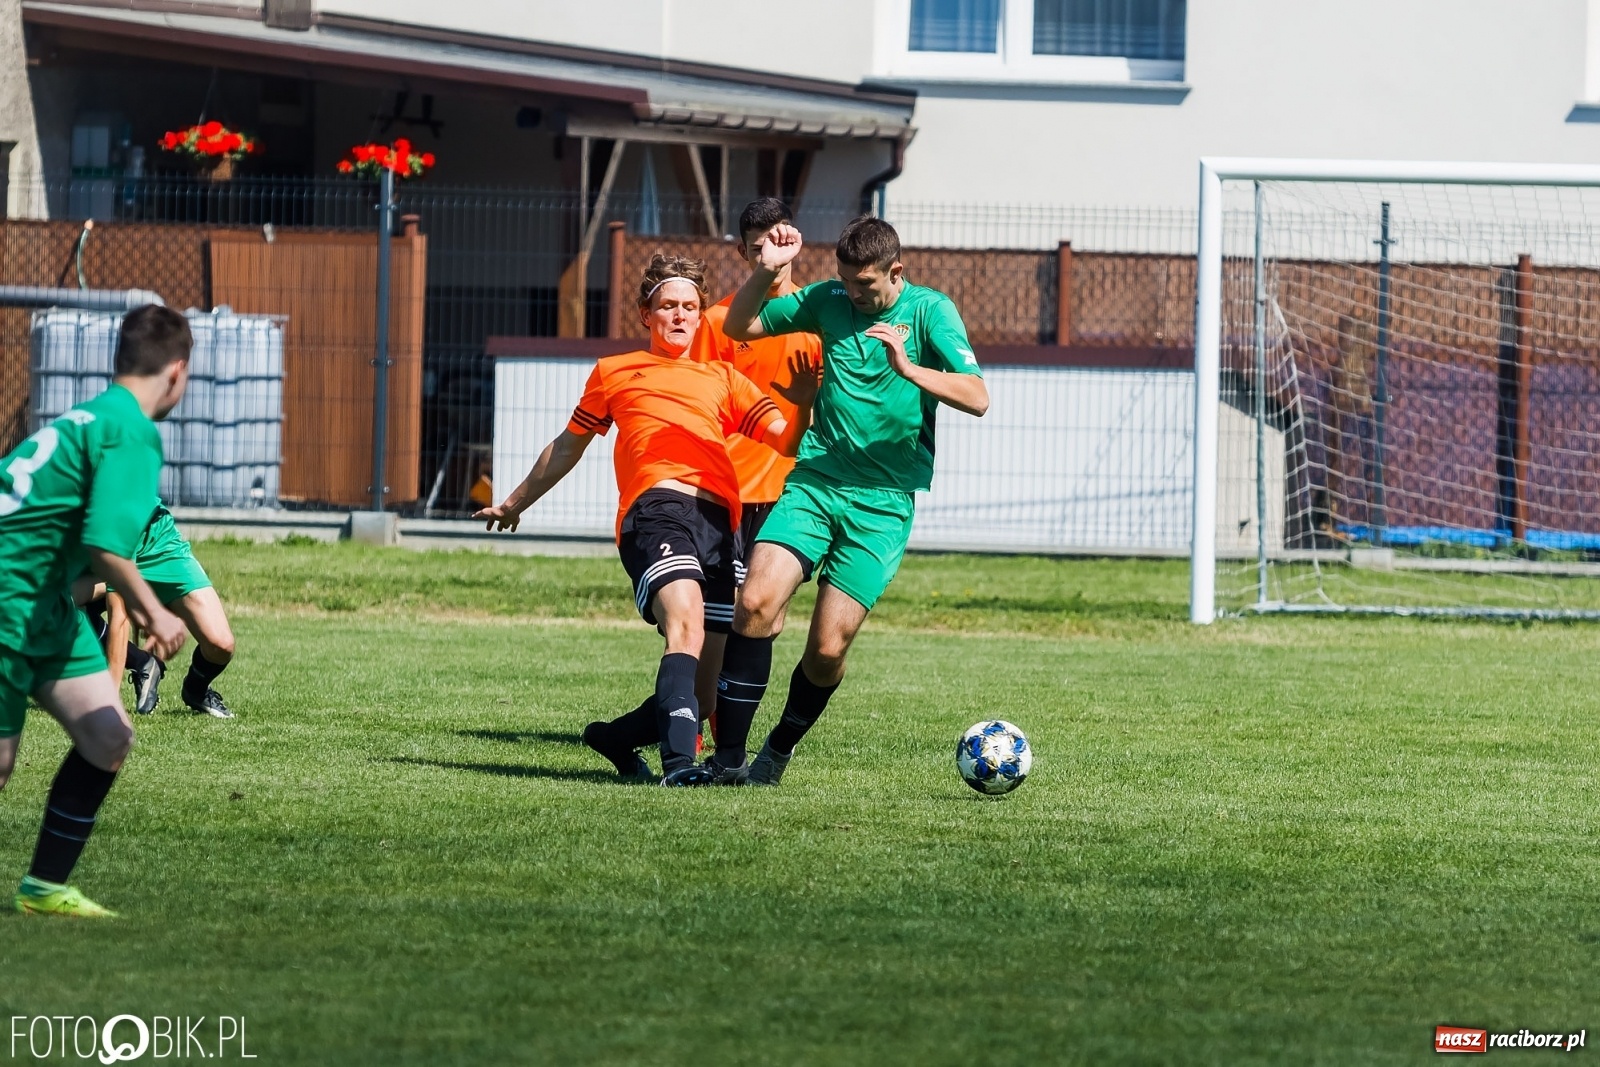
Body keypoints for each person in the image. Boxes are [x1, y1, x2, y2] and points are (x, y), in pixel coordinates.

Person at [473, 254, 816, 785]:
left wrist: (805, 402)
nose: (680, 316)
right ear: (645, 315)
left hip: (718, 525)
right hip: (656, 512)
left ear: (702, 317)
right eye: (667, 306)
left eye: (690, 307)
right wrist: (515, 501)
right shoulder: (615, 371)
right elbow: (568, 446)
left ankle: (611, 738)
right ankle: (681, 768)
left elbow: (782, 439)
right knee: (684, 621)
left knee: (703, 697)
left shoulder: (723, 377)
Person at [712, 215, 989, 785]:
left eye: (866, 285)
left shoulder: (930, 312)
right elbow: (740, 326)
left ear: (896, 271)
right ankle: (726, 762)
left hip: (883, 504)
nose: (855, 295)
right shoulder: (828, 299)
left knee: (827, 649)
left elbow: (978, 397)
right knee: (756, 602)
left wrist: (909, 368)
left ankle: (778, 751)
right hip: (815, 481)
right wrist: (765, 273)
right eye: (847, 282)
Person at [592, 198, 823, 757]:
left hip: (786, 489)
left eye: (780, 237)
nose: (771, 250)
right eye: (758, 242)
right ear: (745, 252)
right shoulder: (718, 322)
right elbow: (685, 391)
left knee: (762, 620)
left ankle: (703, 729)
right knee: (710, 624)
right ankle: (701, 733)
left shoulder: (818, 320)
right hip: (726, 495)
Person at [0, 303, 190, 918]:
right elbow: (109, 548)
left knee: (107, 735)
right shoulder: (131, 430)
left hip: (41, 599)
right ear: (178, 373)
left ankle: (45, 889)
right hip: (6, 594)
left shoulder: (92, 415)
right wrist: (156, 614)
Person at [75, 502, 237, 718]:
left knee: (221, 645)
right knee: (54, 604)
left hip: (160, 547)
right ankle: (143, 662)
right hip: (106, 553)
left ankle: (195, 690)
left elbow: (119, 617)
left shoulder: (117, 495)